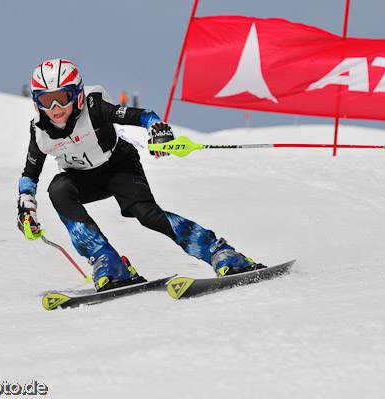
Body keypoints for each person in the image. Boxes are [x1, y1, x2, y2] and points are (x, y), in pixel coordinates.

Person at [17, 58, 261, 292]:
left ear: (78, 94)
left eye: (62, 98)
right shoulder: (39, 131)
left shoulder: (94, 108)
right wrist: (26, 207)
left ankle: (219, 252)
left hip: (119, 166)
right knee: (58, 189)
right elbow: (30, 173)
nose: (55, 108)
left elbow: (144, 115)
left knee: (145, 214)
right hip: (82, 178)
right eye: (46, 101)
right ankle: (109, 263)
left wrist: (158, 131)